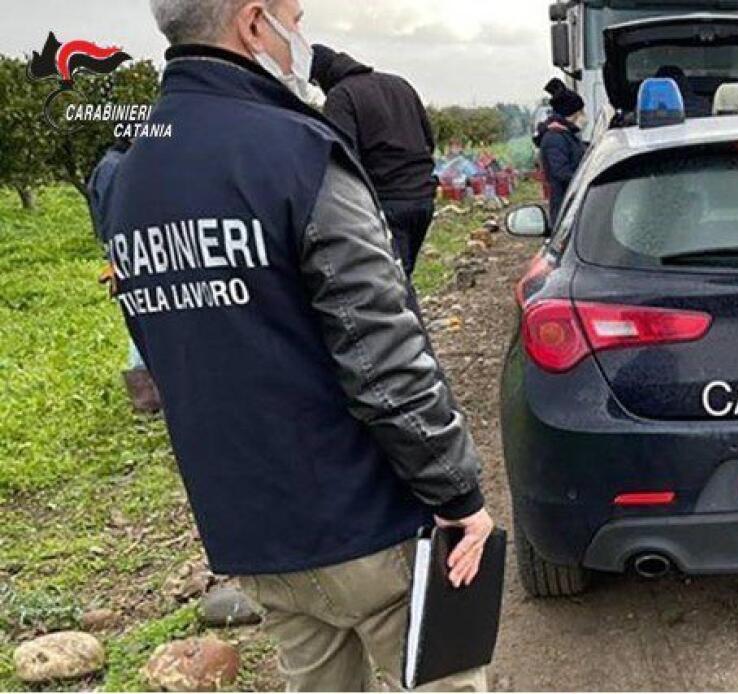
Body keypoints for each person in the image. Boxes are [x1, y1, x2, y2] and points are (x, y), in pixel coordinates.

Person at [105, 1, 494, 690]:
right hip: (367, 523)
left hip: (253, 533)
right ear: (255, 23)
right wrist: (458, 492)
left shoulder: (127, 177)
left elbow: (166, 351)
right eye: (294, 16)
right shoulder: (298, 152)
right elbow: (383, 352)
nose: (299, 38)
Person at [311, 45, 437, 278]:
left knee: (393, 284)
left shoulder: (341, 96)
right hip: (423, 198)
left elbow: (344, 159)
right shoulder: (399, 84)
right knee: (403, 276)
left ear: (320, 76)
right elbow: (429, 140)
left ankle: (410, 313)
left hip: (387, 202)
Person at [87, 138, 162, 415]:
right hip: (130, 250)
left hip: (126, 248)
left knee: (142, 309)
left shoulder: (110, 165)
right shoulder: (116, 168)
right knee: (143, 310)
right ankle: (146, 393)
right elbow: (114, 213)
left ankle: (147, 391)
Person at [534, 78, 587, 223]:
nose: (584, 116)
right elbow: (561, 172)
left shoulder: (565, 135)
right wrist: (586, 180)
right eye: (581, 111)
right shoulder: (555, 139)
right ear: (572, 114)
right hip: (564, 206)